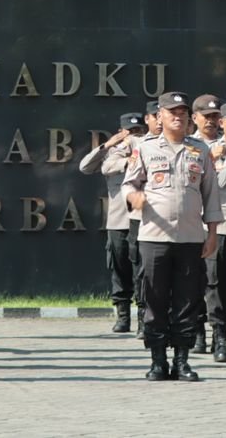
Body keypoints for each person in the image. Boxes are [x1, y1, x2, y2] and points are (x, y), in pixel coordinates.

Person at [122, 90, 222, 382]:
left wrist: (212, 233)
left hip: (191, 238)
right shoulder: (146, 147)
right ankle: (157, 361)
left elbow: (211, 194)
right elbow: (128, 185)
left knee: (187, 301)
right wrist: (135, 197)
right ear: (160, 116)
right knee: (154, 299)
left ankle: (182, 360)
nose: (178, 116)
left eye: (182, 112)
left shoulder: (199, 150)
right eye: (172, 112)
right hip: (154, 237)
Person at [78, 111, 146, 335]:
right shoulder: (112, 155)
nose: (134, 135)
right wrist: (108, 145)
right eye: (130, 131)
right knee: (118, 269)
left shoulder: (148, 150)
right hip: (118, 221)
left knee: (141, 269)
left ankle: (143, 317)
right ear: (121, 132)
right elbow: (85, 167)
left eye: (138, 131)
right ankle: (123, 315)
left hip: (142, 220)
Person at [195, 93, 226, 360]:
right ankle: (217, 335)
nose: (212, 122)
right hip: (215, 224)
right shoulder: (196, 148)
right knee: (214, 285)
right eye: (208, 117)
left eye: (216, 117)